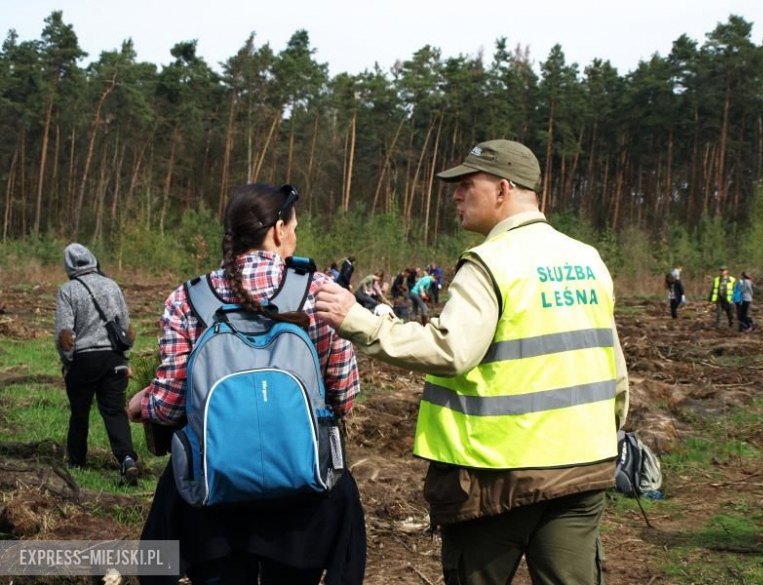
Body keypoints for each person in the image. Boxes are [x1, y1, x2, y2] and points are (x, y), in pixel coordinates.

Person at [315, 139, 629, 585]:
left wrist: (360, 322)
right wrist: (607, 437)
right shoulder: (588, 260)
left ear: (503, 189)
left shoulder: (490, 262)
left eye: (465, 185)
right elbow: (613, 366)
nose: (455, 196)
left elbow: (451, 350)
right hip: (584, 468)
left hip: (499, 477)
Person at [128, 183, 365, 584]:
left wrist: (141, 403)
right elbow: (342, 398)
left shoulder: (186, 299)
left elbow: (169, 405)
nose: (296, 236)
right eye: (294, 227)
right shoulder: (321, 292)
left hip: (212, 499)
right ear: (277, 231)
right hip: (303, 499)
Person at [54, 243, 138, 485]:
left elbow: (65, 335)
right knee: (114, 411)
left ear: (68, 265)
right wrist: (124, 358)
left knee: (79, 413)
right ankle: (127, 460)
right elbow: (127, 329)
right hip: (114, 359)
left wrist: (67, 362)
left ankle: (77, 462)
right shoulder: (111, 285)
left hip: (84, 360)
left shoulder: (68, 290)